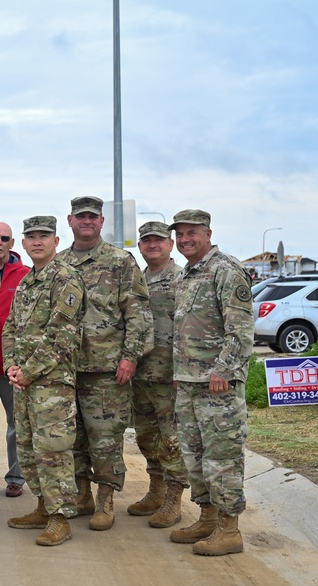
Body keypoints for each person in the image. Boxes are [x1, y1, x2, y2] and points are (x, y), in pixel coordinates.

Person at [57, 195, 152, 531]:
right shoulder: (59, 263)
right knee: (74, 439)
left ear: (101, 222)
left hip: (106, 370)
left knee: (105, 440)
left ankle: (106, 501)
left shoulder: (120, 261)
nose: (87, 221)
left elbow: (138, 312)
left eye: (93, 217)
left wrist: (130, 357)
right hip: (65, 370)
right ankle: (81, 496)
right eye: (80, 216)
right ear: (70, 220)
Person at [168, 209, 253, 556]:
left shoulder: (225, 270)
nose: (185, 240)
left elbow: (241, 331)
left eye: (192, 233)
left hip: (218, 386)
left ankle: (230, 529)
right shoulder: (188, 274)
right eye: (181, 235)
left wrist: (223, 370)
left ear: (208, 233)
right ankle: (208, 518)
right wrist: (180, 374)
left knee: (222, 458)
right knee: (195, 456)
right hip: (189, 383)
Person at [4, 216, 86, 546]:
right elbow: (10, 327)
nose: (37, 242)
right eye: (31, 237)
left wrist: (28, 370)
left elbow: (62, 336)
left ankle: (60, 517)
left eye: (44, 236)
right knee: (29, 449)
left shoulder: (65, 278)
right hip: (24, 383)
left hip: (52, 384)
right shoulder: (28, 281)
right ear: (23, 243)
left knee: (54, 450)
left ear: (56, 240)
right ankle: (43, 505)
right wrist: (12, 365)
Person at [130, 221, 189, 528]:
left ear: (169, 244)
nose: (152, 244)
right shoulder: (137, 279)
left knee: (171, 438)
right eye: (146, 240)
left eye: (158, 240)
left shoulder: (180, 279)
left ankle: (173, 499)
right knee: (147, 435)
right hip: (140, 374)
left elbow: (187, 328)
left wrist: (183, 368)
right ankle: (156, 489)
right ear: (139, 246)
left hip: (169, 374)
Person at [0, 222, 30, 498]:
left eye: (4, 238)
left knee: (17, 425)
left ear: (12, 243)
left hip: (12, 369)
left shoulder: (24, 276)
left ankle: (16, 477)